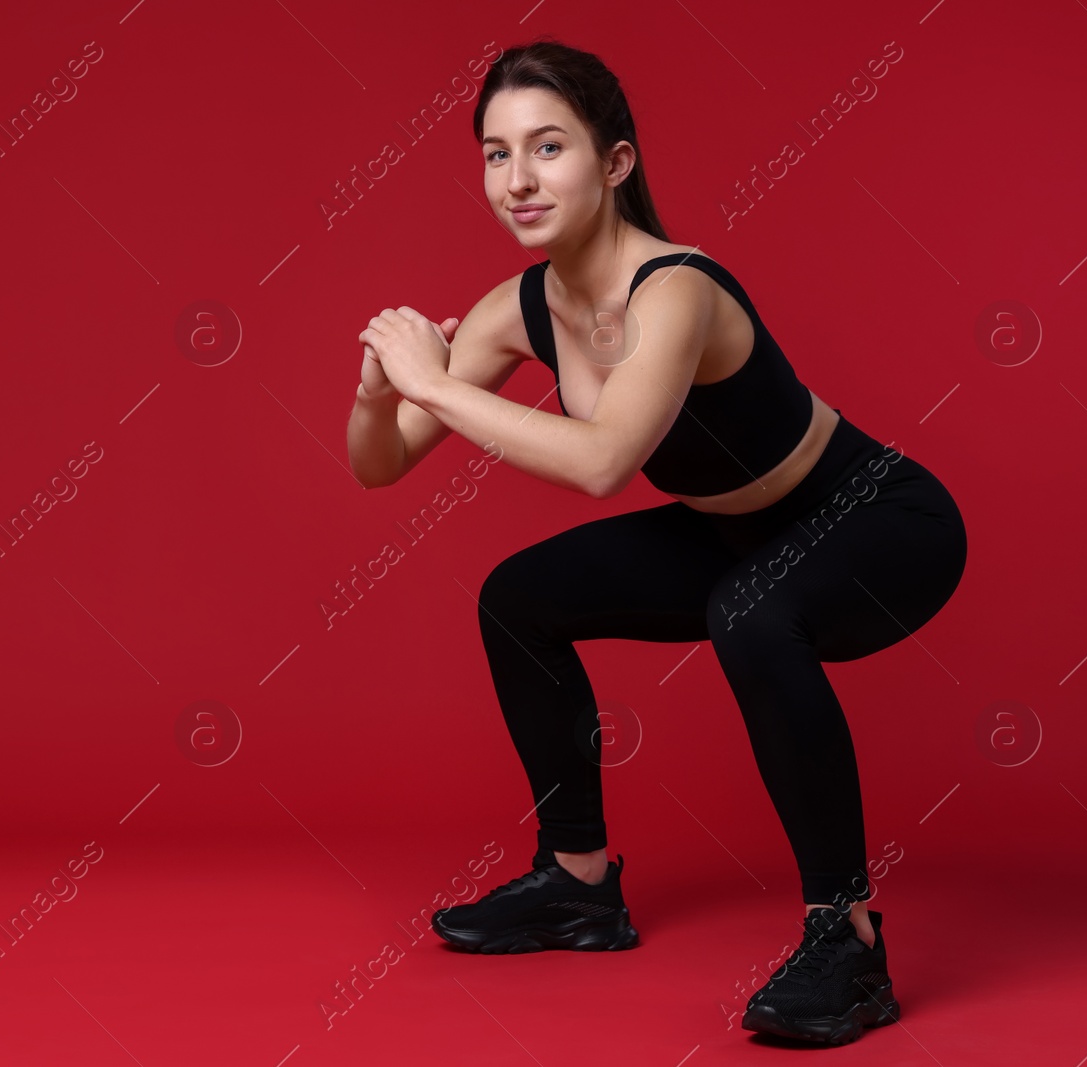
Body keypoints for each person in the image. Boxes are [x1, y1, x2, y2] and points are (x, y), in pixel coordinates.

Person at [346, 38, 966, 1048]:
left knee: (749, 609)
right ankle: (577, 883)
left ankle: (845, 939)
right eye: (496, 154)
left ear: (616, 163)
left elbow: (600, 460)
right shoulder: (520, 309)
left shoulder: (674, 288)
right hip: (737, 532)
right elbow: (379, 464)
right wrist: (385, 391)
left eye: (547, 147)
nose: (518, 178)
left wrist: (436, 384)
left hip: (878, 517)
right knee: (519, 593)